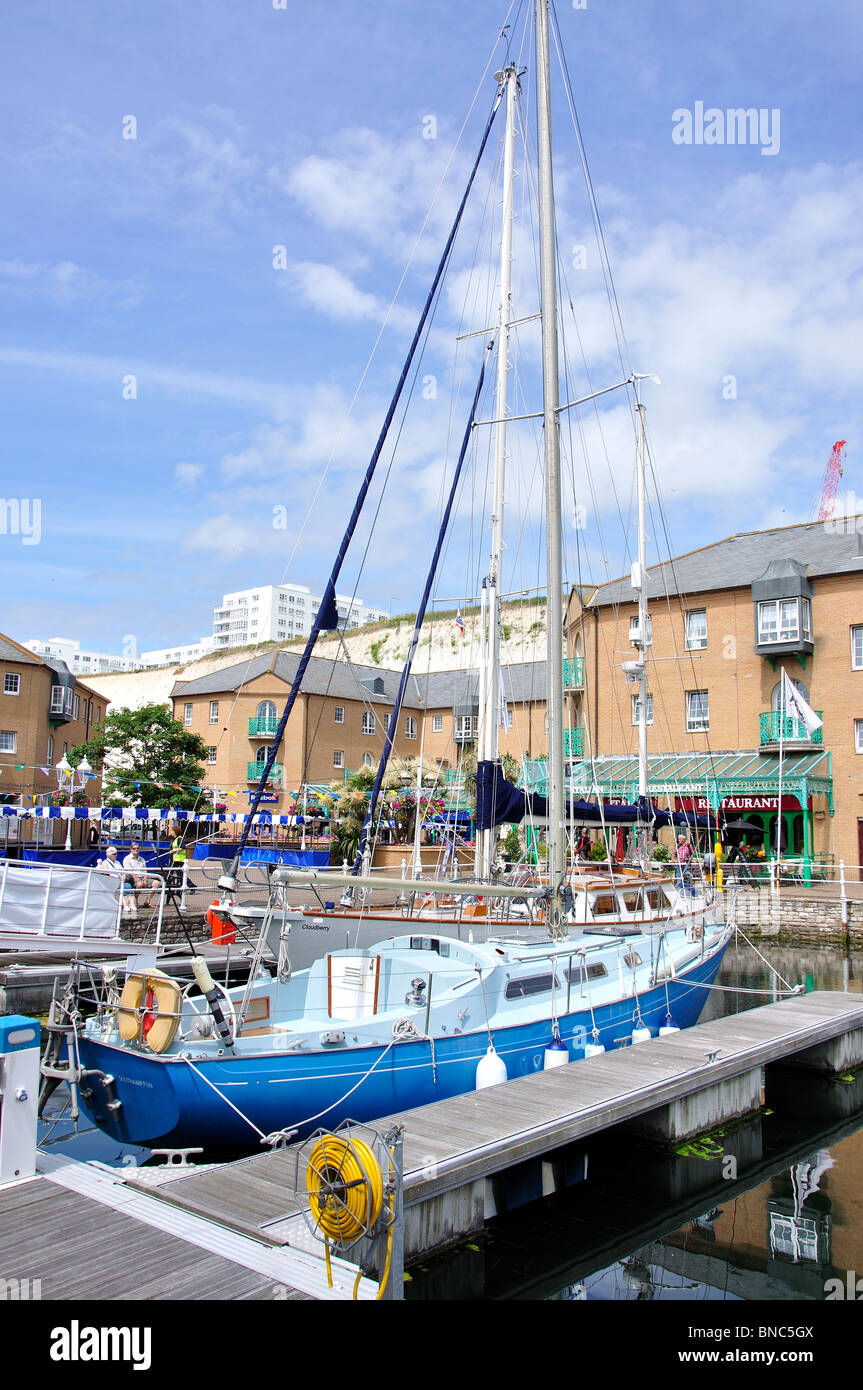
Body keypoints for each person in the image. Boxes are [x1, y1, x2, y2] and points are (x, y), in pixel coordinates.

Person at [122, 841, 160, 909]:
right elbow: (130, 871)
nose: (136, 850)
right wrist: (137, 879)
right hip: (132, 878)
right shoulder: (127, 859)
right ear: (131, 849)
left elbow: (145, 870)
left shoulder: (142, 859)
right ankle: (135, 901)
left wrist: (145, 879)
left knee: (157, 883)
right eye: (134, 848)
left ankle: (147, 901)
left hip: (142, 877)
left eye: (137, 848)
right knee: (139, 884)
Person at [98, 844, 135, 914]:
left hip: (120, 880)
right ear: (109, 854)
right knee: (122, 888)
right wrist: (116, 878)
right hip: (112, 881)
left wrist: (123, 876)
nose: (116, 855)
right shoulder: (105, 863)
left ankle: (132, 904)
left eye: (116, 854)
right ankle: (125, 905)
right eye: (114, 854)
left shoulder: (117, 862)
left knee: (128, 886)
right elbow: (106, 873)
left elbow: (123, 871)